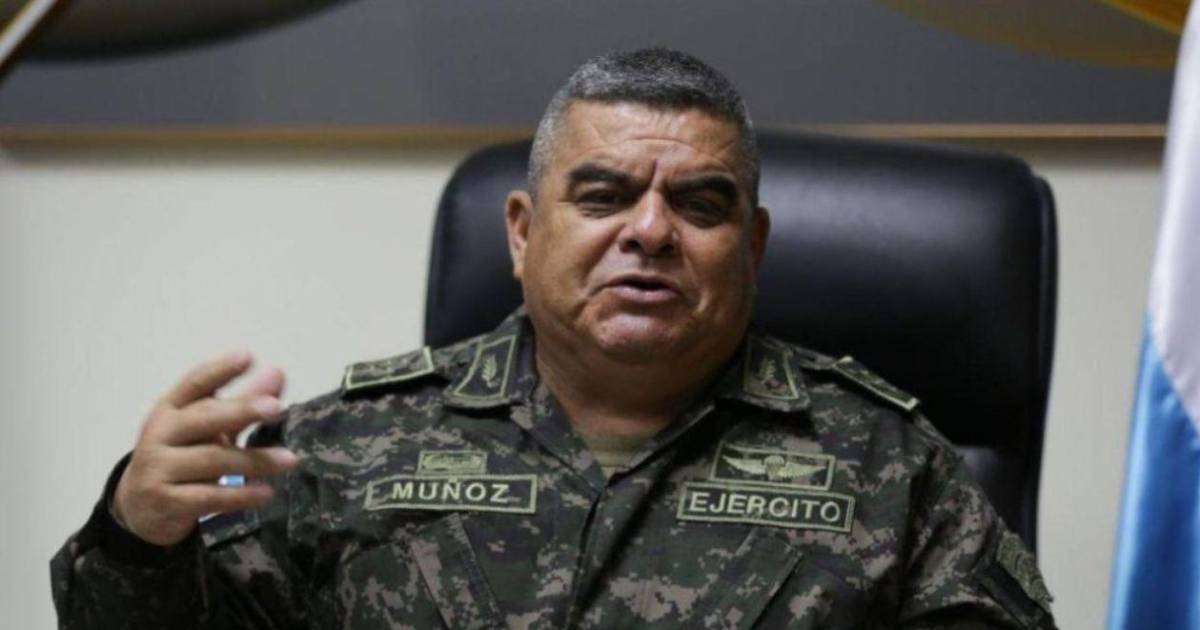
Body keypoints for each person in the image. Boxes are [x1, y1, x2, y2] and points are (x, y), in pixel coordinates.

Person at [51, 48, 1057, 629]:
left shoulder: (889, 466)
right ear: (523, 233)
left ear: (750, 247)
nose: (650, 231)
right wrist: (137, 537)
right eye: (605, 195)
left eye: (700, 204)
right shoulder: (342, 450)